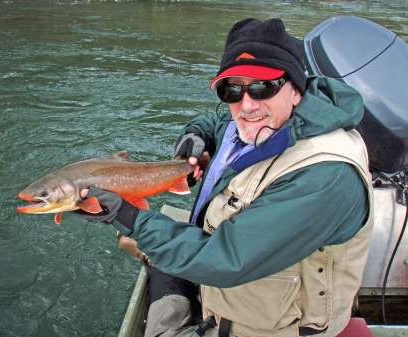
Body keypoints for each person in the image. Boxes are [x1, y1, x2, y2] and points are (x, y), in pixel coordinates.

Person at [75, 18, 374, 337]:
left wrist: (126, 215)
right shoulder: (275, 119)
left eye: (263, 86)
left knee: (149, 249)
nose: (246, 104)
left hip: (266, 329)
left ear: (296, 90)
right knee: (157, 244)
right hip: (238, 293)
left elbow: (224, 259)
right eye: (232, 89)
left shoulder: (325, 176)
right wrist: (196, 134)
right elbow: (217, 122)